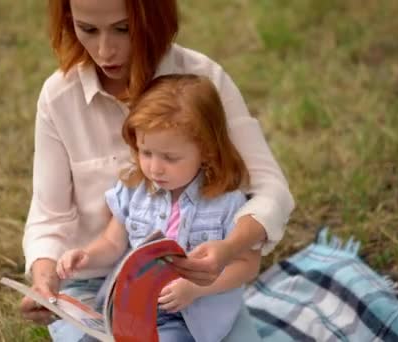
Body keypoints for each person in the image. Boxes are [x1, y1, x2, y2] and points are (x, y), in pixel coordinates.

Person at [20, 0, 294, 340]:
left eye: (124, 28)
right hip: (97, 283)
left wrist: (227, 249)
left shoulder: (203, 80)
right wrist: (46, 278)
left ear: (154, 17)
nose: (105, 51)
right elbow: (49, 216)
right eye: (87, 29)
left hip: (197, 292)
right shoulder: (59, 97)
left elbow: (271, 191)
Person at [56, 74, 262, 342]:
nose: (154, 167)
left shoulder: (226, 202)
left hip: (189, 315)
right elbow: (112, 242)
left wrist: (194, 289)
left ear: (207, 151)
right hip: (130, 310)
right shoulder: (134, 190)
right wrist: (85, 256)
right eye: (146, 152)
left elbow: (247, 265)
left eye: (170, 157)